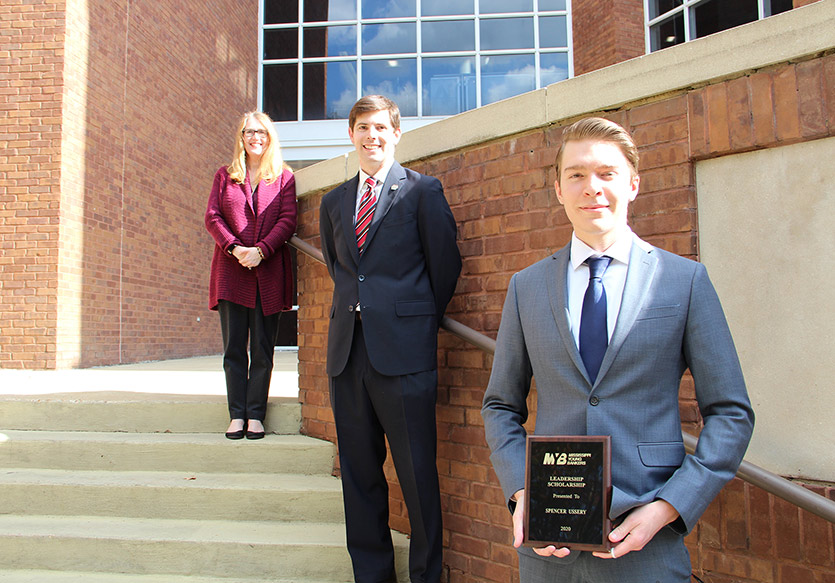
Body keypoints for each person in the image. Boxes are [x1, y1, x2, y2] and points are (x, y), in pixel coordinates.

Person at [481, 117, 754, 582]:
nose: (592, 188)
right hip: (549, 550)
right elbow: (499, 405)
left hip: (646, 539)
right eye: (577, 175)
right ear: (558, 189)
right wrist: (522, 491)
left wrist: (670, 507)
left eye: (607, 173)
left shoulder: (684, 281)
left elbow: (731, 413)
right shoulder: (526, 287)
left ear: (632, 184)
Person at [318, 95, 462, 583]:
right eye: (362, 127)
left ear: (396, 133)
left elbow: (444, 267)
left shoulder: (422, 191)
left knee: (417, 475)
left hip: (404, 356)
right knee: (359, 477)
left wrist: (414, 321)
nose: (371, 136)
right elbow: (341, 271)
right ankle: (372, 576)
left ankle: (425, 576)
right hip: (347, 356)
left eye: (381, 127)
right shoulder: (334, 202)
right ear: (352, 134)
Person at [205, 111, 297, 440]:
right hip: (231, 272)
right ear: (241, 137)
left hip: (267, 273)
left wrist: (260, 251)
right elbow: (213, 217)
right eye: (249, 132)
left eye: (262, 132)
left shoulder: (284, 177)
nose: (256, 137)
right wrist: (235, 249)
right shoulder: (224, 176)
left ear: (270, 138)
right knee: (233, 348)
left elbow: (288, 220)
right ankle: (236, 414)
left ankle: (255, 414)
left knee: (262, 348)